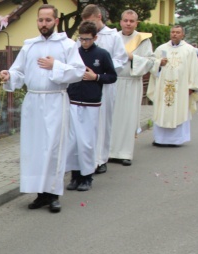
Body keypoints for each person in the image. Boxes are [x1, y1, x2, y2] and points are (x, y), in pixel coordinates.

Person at [0, 4, 85, 213]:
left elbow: (78, 72)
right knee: (35, 148)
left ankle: (53, 194)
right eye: (40, 20)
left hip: (56, 101)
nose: (43, 24)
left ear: (55, 21)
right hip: (34, 102)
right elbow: (18, 72)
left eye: (48, 20)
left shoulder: (67, 45)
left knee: (53, 148)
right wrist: (8, 76)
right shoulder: (29, 46)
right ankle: (40, 194)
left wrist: (55, 65)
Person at [65, 22, 117, 192]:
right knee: (72, 142)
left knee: (86, 142)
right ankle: (75, 176)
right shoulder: (74, 52)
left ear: (95, 37)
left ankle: (87, 177)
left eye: (87, 39)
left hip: (91, 103)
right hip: (72, 101)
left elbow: (112, 76)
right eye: (81, 39)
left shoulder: (102, 54)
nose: (84, 42)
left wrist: (96, 77)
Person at [81, 4, 128, 174]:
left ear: (99, 16)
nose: (89, 26)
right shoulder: (85, 36)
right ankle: (87, 158)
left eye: (91, 21)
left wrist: (101, 70)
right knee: (88, 122)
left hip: (105, 85)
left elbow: (121, 60)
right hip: (86, 85)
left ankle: (101, 159)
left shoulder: (113, 36)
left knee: (103, 122)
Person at [108, 9, 155, 166]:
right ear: (120, 22)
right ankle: (109, 151)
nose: (128, 23)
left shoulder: (143, 40)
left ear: (136, 23)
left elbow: (150, 61)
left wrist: (132, 57)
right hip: (114, 82)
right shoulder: (113, 38)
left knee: (128, 117)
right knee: (111, 118)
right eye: (125, 20)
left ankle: (125, 153)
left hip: (132, 82)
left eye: (132, 21)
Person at [147, 25, 198, 147]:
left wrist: (192, 88)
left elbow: (194, 70)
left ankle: (176, 139)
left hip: (181, 88)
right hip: (163, 87)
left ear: (182, 34)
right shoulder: (161, 49)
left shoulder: (189, 50)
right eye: (173, 32)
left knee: (179, 111)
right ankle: (160, 139)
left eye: (177, 32)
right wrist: (158, 63)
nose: (174, 34)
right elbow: (152, 66)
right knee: (161, 110)